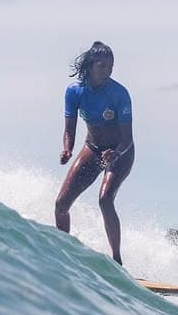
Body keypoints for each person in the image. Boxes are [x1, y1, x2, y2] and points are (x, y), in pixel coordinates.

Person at [54, 41, 135, 265]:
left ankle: (117, 260)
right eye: (102, 66)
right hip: (93, 148)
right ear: (90, 66)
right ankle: (64, 254)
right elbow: (69, 130)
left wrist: (116, 154)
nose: (108, 71)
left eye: (111, 67)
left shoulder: (119, 94)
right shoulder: (74, 91)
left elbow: (127, 138)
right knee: (61, 204)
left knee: (105, 200)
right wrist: (67, 149)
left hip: (121, 152)